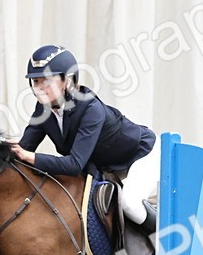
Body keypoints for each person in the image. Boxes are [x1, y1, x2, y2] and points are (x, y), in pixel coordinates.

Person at [10, 45, 157, 230]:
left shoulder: (91, 109)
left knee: (130, 205)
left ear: (67, 81)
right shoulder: (43, 109)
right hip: (104, 165)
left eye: (46, 81)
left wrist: (28, 156)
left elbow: (74, 164)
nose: (39, 88)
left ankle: (167, 241)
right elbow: (24, 148)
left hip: (141, 155)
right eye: (36, 81)